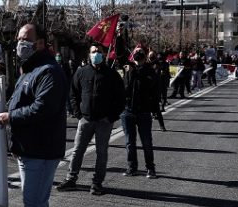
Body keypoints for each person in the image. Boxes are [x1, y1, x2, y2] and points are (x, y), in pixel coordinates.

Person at [0, 24, 67, 207]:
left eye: (25, 39)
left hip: (41, 150)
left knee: (32, 203)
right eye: (18, 39)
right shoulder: (31, 70)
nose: (19, 43)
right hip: (31, 149)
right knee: (38, 200)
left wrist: (10, 117)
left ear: (40, 43)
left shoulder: (49, 72)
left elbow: (41, 109)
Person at [56, 43, 124, 195]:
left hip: (104, 122)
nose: (96, 54)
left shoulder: (112, 75)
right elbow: (73, 94)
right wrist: (78, 114)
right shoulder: (81, 72)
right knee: (77, 151)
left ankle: (97, 183)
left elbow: (120, 98)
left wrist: (111, 117)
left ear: (104, 54)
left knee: (101, 153)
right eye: (93, 52)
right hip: (85, 120)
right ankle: (71, 179)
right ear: (89, 54)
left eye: (99, 52)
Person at [120, 49, 160, 178]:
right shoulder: (128, 69)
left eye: (140, 51)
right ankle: (132, 167)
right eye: (135, 51)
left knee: (146, 142)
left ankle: (150, 168)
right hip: (128, 110)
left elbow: (152, 87)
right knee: (129, 142)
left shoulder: (149, 70)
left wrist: (154, 109)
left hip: (143, 111)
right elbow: (126, 87)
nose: (138, 53)